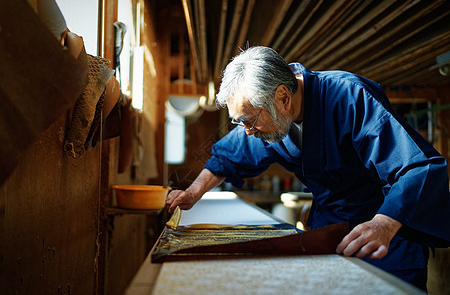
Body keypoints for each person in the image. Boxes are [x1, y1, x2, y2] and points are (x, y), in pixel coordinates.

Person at [165, 46, 450, 290]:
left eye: (249, 121)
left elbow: (416, 167)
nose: (247, 131)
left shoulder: (350, 96)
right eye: (240, 122)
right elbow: (230, 154)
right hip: (330, 232)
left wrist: (384, 223)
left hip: (384, 231)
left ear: (283, 98)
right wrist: (193, 191)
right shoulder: (267, 117)